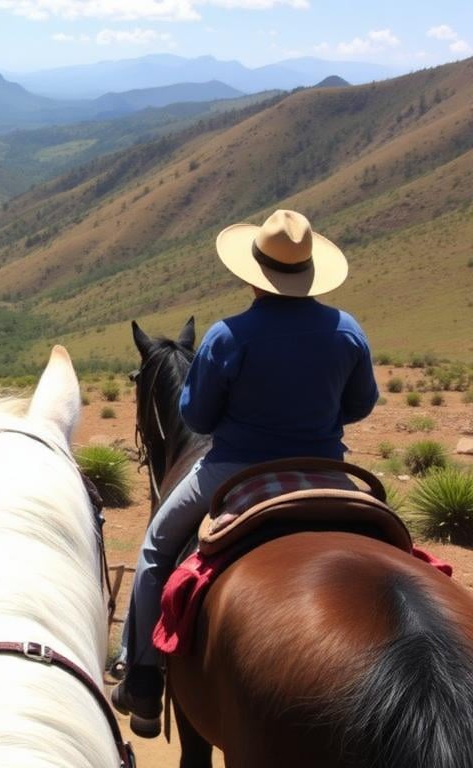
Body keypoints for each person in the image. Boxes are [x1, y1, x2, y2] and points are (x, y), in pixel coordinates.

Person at [112, 209, 379, 738]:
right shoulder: (348, 331)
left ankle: (143, 682)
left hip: (230, 472)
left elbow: (196, 418)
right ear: (308, 272)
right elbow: (361, 404)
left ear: (252, 273)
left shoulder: (229, 335)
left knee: (154, 552)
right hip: (328, 472)